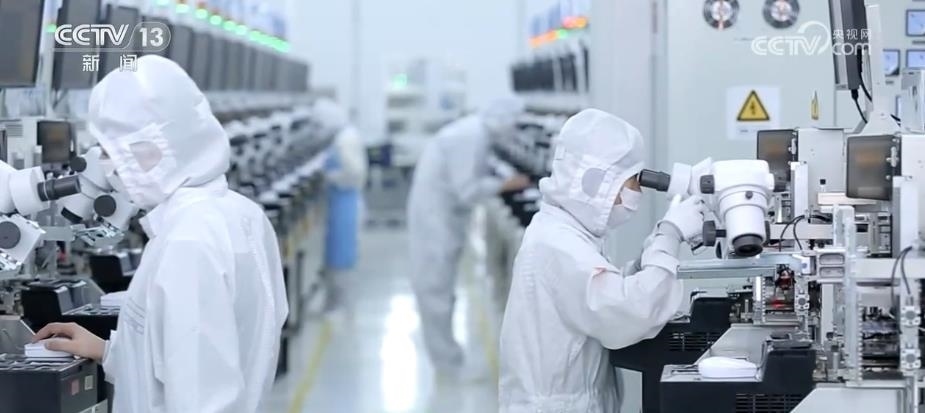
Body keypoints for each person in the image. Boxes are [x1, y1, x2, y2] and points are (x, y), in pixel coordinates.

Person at [32, 55, 288, 413]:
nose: (106, 167)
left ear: (147, 150)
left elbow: (201, 398)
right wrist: (108, 351)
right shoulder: (241, 214)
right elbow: (183, 359)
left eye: (109, 151)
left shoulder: (188, 242)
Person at [498, 109, 707, 412]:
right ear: (597, 181)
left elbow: (598, 297)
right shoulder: (559, 244)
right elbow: (629, 312)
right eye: (633, 181)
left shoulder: (565, 232)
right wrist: (669, 236)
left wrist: (643, 263)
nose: (637, 193)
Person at [407, 97, 532, 380]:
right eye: (515, 124)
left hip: (442, 216)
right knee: (435, 289)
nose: (515, 130)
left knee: (439, 288)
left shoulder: (474, 132)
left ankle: (448, 358)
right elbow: (467, 189)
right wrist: (506, 184)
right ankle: (448, 364)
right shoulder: (470, 136)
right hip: (435, 220)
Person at [314, 98, 368, 313]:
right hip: (340, 201)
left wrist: (330, 177)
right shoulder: (343, 136)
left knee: (342, 254)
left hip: (346, 203)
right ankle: (334, 303)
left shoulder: (345, 140)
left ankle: (340, 305)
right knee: (336, 253)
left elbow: (354, 173)